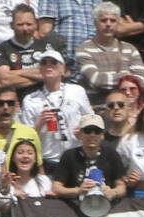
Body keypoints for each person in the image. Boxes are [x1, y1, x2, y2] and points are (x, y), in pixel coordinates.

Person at [20, 48, 93, 176]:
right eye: (44, 63)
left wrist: (83, 130)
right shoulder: (31, 99)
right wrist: (40, 123)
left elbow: (91, 119)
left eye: (53, 62)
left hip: (75, 157)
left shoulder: (77, 91)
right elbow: (25, 138)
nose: (48, 65)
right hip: (48, 161)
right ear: (40, 69)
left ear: (62, 69)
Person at [75, 2, 144, 106]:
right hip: (97, 110)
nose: (108, 24)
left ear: (118, 23)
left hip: (126, 110)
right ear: (95, 23)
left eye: (113, 20)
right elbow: (96, 80)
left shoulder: (130, 49)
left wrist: (110, 79)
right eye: (103, 20)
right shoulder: (84, 49)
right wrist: (127, 76)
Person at [52, 112, 126, 199]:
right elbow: (56, 188)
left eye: (97, 131)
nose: (92, 135)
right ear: (80, 134)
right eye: (88, 131)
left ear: (102, 135)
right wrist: (78, 191)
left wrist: (113, 192)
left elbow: (122, 186)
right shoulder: (69, 155)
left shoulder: (111, 154)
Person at [0, 3, 57, 99]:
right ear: (11, 25)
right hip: (14, 103)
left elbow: (55, 73)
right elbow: (5, 80)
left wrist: (16, 73)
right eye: (20, 24)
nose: (25, 28)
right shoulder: (1, 49)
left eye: (29, 24)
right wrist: (41, 76)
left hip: (44, 100)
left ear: (36, 24)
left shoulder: (46, 47)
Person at [0, 86, 42, 164]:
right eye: (0, 103)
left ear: (17, 106)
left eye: (10, 103)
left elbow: (39, 167)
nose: (5, 107)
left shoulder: (29, 133)